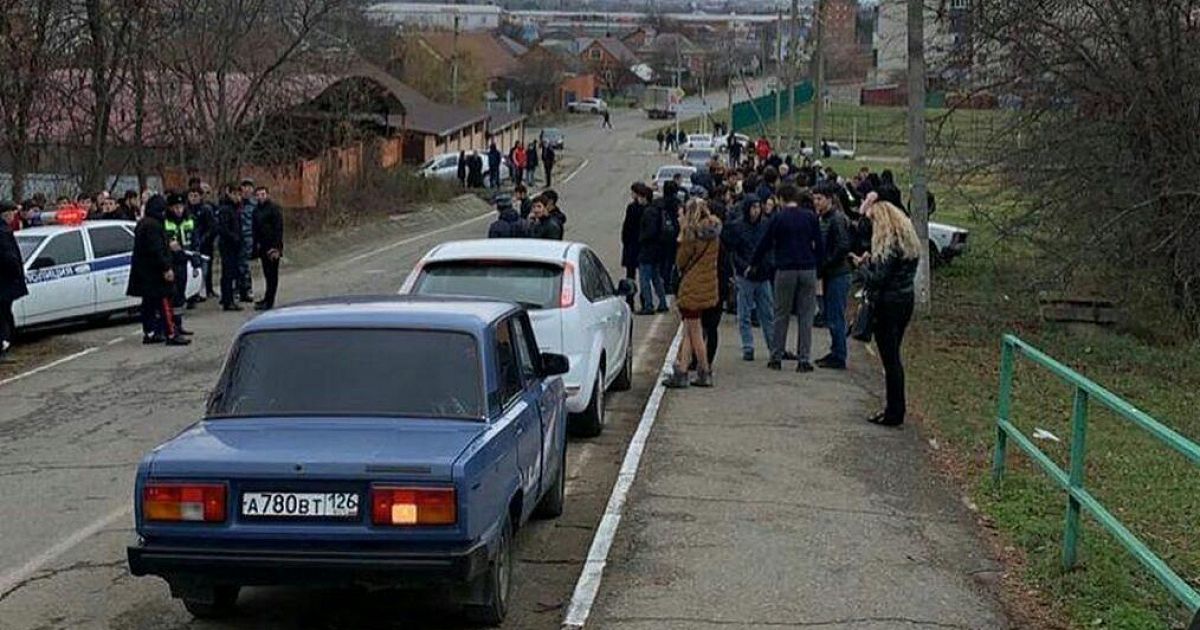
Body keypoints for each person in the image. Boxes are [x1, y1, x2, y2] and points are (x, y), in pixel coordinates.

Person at [852, 195, 920, 427]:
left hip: (888, 304)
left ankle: (894, 410)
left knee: (890, 360)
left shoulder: (889, 246)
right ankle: (894, 408)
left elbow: (878, 280)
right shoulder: (907, 244)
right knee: (893, 357)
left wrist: (862, 267)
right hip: (904, 300)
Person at [749, 184, 824, 372]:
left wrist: (754, 263)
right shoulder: (810, 217)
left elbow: (764, 243)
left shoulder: (778, 218)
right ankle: (804, 359)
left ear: (781, 199)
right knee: (806, 315)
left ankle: (776, 356)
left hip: (785, 269)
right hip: (807, 268)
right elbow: (819, 244)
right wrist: (818, 267)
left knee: (781, 313)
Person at [662, 198, 721, 389]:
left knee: (694, 332)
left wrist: (681, 236)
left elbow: (680, 261)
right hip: (708, 285)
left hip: (692, 288)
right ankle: (682, 370)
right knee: (689, 330)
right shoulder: (713, 234)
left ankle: (704, 371)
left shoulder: (690, 235)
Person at [127, 194, 189, 346]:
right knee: (164, 301)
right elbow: (157, 250)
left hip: (145, 273)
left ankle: (150, 332)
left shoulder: (143, 224)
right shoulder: (153, 226)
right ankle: (171, 333)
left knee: (148, 303)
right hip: (156, 273)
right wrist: (166, 267)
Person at [723, 193, 775, 361]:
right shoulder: (737, 227)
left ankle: (773, 346)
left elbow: (769, 249)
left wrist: (764, 265)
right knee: (744, 313)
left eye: (758, 207)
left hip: (762, 274)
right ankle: (748, 346)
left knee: (767, 313)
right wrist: (743, 267)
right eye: (753, 207)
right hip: (745, 275)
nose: (756, 211)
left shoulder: (765, 226)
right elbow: (733, 251)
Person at [814, 182, 853, 370]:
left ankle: (839, 354)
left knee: (836, 315)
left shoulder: (836, 219)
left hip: (838, 273)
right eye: (815, 199)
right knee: (831, 314)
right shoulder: (823, 219)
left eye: (820, 199)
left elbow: (843, 246)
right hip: (831, 273)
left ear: (829, 200)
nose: (816, 202)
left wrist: (826, 262)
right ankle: (836, 350)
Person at [162, 193, 196, 329]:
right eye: (175, 207)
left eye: (181, 207)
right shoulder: (165, 222)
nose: (179, 210)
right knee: (173, 295)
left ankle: (179, 324)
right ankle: (172, 326)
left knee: (181, 295)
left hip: (184, 260)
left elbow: (194, 238)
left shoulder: (189, 219)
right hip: (171, 262)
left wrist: (195, 254)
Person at [0, 201, 28, 363]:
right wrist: (17, 273)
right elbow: (9, 257)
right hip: (5, 282)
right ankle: (5, 344)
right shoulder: (3, 231)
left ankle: (6, 343)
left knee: (4, 314)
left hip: (4, 282)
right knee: (4, 315)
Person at [637, 185, 669, 314]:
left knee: (645, 279)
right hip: (657, 250)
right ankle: (662, 302)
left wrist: (641, 238)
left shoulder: (649, 212)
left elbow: (650, 231)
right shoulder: (658, 210)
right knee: (656, 277)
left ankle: (648, 305)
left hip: (648, 250)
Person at [251, 186, 283, 311]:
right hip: (262, 246)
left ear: (267, 195)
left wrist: (277, 248)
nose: (261, 197)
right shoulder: (256, 211)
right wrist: (255, 247)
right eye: (258, 195)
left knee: (272, 275)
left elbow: (278, 229)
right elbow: (255, 230)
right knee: (266, 274)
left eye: (263, 194)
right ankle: (266, 298)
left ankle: (270, 300)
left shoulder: (274, 209)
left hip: (273, 246)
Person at [215, 184, 244, 311]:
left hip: (234, 245)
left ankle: (228, 297)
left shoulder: (236, 208)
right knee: (228, 273)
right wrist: (235, 237)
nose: (238, 197)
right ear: (230, 194)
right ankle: (228, 300)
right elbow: (223, 229)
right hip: (228, 245)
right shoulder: (226, 209)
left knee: (232, 272)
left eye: (239, 194)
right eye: (236, 194)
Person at [621, 184, 650, 308]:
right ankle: (645, 300)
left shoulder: (632, 208)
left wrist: (625, 241)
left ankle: (630, 300)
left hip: (632, 245)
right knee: (644, 275)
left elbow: (627, 227)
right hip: (643, 245)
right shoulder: (648, 208)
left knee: (631, 274)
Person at [186, 187, 216, 301]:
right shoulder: (186, 210)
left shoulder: (206, 209)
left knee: (205, 267)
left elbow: (211, 227)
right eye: (191, 196)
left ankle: (206, 289)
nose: (193, 198)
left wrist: (203, 239)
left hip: (205, 244)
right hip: (191, 245)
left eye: (196, 196)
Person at [237, 179, 257, 303]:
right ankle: (239, 289)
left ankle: (247, 289)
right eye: (244, 188)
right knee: (237, 265)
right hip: (237, 237)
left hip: (249, 237)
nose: (247, 190)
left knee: (244, 264)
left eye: (249, 188)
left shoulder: (254, 205)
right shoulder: (237, 204)